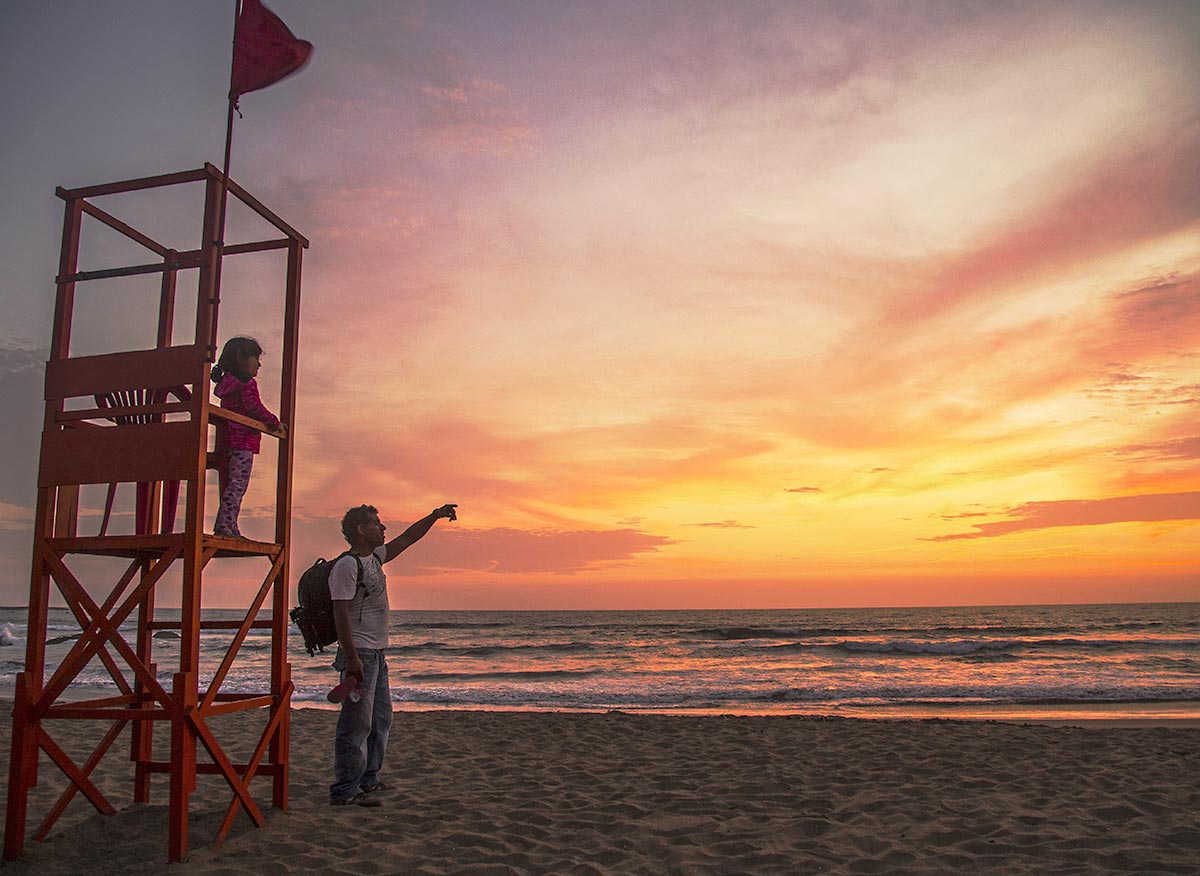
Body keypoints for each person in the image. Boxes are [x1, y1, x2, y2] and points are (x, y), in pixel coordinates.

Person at [329, 502, 458, 807]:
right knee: (356, 724)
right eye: (376, 523)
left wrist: (433, 515)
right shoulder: (347, 566)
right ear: (361, 529)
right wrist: (352, 658)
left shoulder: (375, 557)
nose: (383, 528)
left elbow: (408, 538)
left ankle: (368, 779)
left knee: (380, 721)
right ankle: (346, 789)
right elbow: (340, 614)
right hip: (359, 653)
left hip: (377, 654)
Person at [210, 336, 286, 538]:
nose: (259, 364)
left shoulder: (227, 383)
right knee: (238, 485)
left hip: (227, 439)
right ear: (242, 359)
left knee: (231, 484)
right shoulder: (246, 383)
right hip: (243, 442)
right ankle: (225, 526)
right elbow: (254, 407)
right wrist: (274, 422)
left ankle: (230, 525)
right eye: (255, 358)